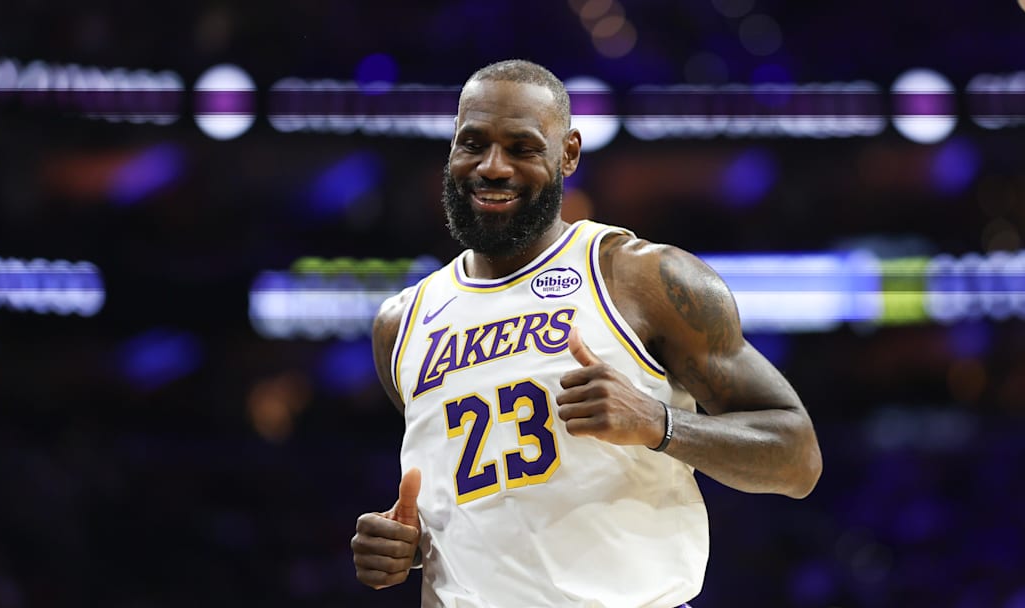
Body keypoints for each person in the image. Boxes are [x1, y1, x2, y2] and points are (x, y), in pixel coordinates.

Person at [351, 59, 823, 607]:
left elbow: (798, 456)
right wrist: (404, 545)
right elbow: (484, 497)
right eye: (473, 143)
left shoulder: (641, 278)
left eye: (522, 148)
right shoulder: (402, 323)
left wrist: (659, 423)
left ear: (568, 153)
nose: (493, 166)